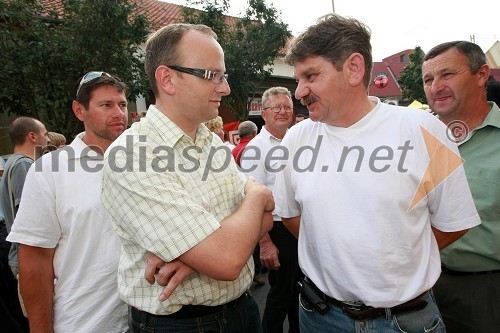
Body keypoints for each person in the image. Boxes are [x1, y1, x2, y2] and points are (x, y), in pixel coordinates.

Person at [273, 14, 481, 333]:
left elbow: (455, 223)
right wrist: (341, 255)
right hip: (319, 317)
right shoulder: (295, 140)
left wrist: (396, 255)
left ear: (354, 68)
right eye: (298, 79)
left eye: (310, 76)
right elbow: (290, 216)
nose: (299, 91)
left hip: (405, 321)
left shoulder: (425, 131)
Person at [100, 23, 273, 333]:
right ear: (167, 79)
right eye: (212, 75)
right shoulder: (132, 156)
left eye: (225, 76)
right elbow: (227, 259)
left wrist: (193, 256)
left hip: (243, 311)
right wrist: (256, 195)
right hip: (180, 326)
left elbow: (267, 218)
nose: (225, 88)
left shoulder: (211, 143)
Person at [7, 72, 130, 332]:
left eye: (122, 104)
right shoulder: (50, 170)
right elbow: (35, 260)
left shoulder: (144, 163)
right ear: (79, 110)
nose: (118, 113)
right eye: (106, 105)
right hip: (84, 322)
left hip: (149, 321)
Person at [422, 40, 500, 332]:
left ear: (481, 75)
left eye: (447, 74)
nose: (436, 86)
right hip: (417, 289)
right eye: (428, 79)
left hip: (484, 293)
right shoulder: (409, 141)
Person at [240, 86, 299, 333]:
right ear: (263, 113)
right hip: (276, 230)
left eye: (287, 107)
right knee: (282, 294)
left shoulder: (298, 140)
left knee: (300, 293)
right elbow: (250, 201)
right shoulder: (256, 148)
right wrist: (264, 243)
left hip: (299, 225)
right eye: (277, 107)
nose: (283, 112)